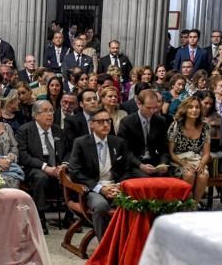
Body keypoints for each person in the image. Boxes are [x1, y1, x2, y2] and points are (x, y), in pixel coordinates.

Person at [68, 108, 140, 241]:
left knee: (135, 202)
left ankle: (128, 243)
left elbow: (127, 170)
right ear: (91, 124)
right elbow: (75, 172)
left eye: (108, 121)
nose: (106, 125)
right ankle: (105, 247)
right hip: (91, 188)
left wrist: (119, 186)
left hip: (115, 187)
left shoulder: (118, 142)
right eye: (101, 122)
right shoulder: (81, 143)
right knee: (101, 206)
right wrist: (100, 189)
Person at [16, 100, 66, 228]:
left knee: (74, 175)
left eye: (51, 111)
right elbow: (23, 155)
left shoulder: (57, 130)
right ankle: (40, 218)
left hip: (56, 165)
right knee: (41, 177)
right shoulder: (25, 130)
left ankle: (70, 217)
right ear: (35, 115)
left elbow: (68, 150)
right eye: (45, 111)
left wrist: (64, 164)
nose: (49, 114)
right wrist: (45, 167)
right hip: (35, 166)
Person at [167, 96, 212, 205]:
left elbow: (206, 153)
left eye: (197, 107)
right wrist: (183, 164)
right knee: (189, 174)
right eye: (191, 107)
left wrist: (201, 164)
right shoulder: (176, 126)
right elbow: (171, 152)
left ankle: (194, 206)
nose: (194, 110)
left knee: (203, 174)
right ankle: (184, 204)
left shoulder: (205, 127)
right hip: (178, 160)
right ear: (185, 109)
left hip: (196, 159)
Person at [117, 89, 169, 176]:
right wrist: (140, 165)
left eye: (155, 107)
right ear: (139, 104)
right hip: (135, 163)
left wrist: (163, 163)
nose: (153, 111)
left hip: (154, 162)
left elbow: (164, 147)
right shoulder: (127, 122)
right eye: (148, 108)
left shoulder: (160, 121)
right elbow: (124, 150)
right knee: (147, 181)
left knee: (166, 181)